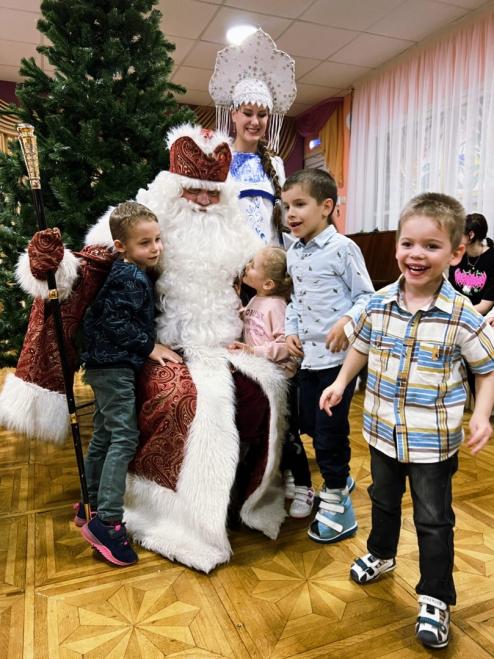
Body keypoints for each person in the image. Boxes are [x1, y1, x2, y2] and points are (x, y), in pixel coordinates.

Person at [0, 124, 288, 574]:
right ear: (176, 189)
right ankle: (152, 511)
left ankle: (235, 498)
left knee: (260, 394)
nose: (206, 203)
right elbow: (84, 269)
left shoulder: (236, 231)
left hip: (222, 342)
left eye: (215, 194)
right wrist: (47, 267)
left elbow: (265, 276)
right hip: (153, 345)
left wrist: (268, 333)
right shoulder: (143, 225)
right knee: (185, 401)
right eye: (196, 192)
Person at [319, 193, 494, 650]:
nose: (416, 255)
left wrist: (481, 413)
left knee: (435, 519)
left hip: (433, 441)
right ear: (397, 246)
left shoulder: (462, 317)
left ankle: (436, 595)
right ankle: (381, 552)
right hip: (381, 430)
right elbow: (361, 346)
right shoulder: (377, 304)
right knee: (382, 498)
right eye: (408, 244)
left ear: (456, 253)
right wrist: (340, 383)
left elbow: (486, 368)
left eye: (431, 246)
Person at [75, 202, 181, 566]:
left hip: (104, 366)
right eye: (145, 243)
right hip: (115, 368)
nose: (155, 249)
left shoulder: (127, 271)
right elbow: (114, 324)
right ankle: (107, 522)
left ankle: (86, 504)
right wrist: (152, 346)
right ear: (120, 246)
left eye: (157, 240)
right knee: (123, 437)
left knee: (105, 434)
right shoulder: (131, 277)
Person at [283, 168, 375, 543]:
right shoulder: (293, 251)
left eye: (299, 204)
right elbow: (294, 299)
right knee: (309, 426)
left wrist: (347, 322)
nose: (290, 213)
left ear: (326, 207)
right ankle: (342, 477)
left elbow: (368, 297)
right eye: (286, 205)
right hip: (308, 361)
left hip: (338, 363)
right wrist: (290, 329)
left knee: (328, 435)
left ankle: (338, 500)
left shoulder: (343, 249)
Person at [228, 245, 314, 518]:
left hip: (283, 381)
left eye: (251, 266)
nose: (246, 267)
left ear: (267, 282)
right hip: (264, 378)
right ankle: (286, 473)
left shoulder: (276, 306)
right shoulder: (255, 299)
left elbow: (285, 345)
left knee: (288, 435)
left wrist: (255, 352)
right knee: (273, 433)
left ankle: (304, 486)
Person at [209, 28, 296, 246]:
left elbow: (284, 219)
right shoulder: (216, 160)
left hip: (270, 267)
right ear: (234, 115)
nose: (255, 122)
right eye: (247, 113)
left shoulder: (276, 164)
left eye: (262, 115)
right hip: (230, 265)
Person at [449, 212, 494, 315]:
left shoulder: (491, 260)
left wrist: (457, 314)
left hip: (477, 317)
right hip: (454, 311)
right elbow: (450, 292)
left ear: (471, 235)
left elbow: (484, 307)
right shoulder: (457, 254)